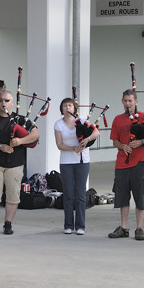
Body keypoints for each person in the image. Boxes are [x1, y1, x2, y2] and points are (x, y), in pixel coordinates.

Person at [0, 88, 39, 235]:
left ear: (12, 102)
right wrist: (0, 147)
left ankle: (8, 224)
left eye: (6, 100)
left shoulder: (22, 120)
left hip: (15, 163)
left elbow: (35, 134)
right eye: (0, 100)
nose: (3, 103)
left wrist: (20, 141)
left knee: (13, 195)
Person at [108, 89, 144, 241]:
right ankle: (124, 228)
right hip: (121, 163)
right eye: (125, 101)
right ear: (122, 102)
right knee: (123, 196)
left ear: (136, 101)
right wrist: (122, 146)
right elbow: (115, 140)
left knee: (139, 196)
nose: (128, 104)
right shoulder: (118, 119)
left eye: (130, 101)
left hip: (139, 162)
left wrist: (142, 141)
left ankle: (139, 228)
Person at [54, 97, 98, 235]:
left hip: (82, 162)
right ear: (61, 109)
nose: (67, 108)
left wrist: (87, 139)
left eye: (70, 105)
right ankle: (68, 225)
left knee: (80, 194)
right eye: (65, 106)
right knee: (68, 193)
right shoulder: (58, 124)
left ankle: (80, 226)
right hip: (66, 162)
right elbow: (59, 145)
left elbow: (96, 132)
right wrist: (73, 148)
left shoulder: (82, 120)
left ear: (74, 108)